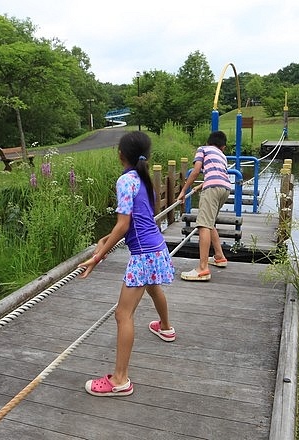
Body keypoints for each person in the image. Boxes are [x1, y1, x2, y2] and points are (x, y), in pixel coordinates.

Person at [78, 131, 175, 397]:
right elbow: (138, 221)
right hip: (156, 247)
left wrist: (97, 258)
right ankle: (165, 328)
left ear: (120, 154)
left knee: (123, 315)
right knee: (154, 288)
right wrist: (107, 239)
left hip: (143, 254)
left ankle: (120, 379)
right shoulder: (144, 180)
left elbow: (124, 225)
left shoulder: (125, 180)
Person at [177, 130, 230, 281]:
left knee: (203, 225)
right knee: (210, 222)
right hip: (225, 188)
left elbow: (195, 171)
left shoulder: (203, 149)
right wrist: (199, 187)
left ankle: (202, 268)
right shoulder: (222, 156)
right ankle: (219, 256)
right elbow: (217, 175)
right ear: (223, 147)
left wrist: (183, 191)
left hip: (213, 189)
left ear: (208, 142)